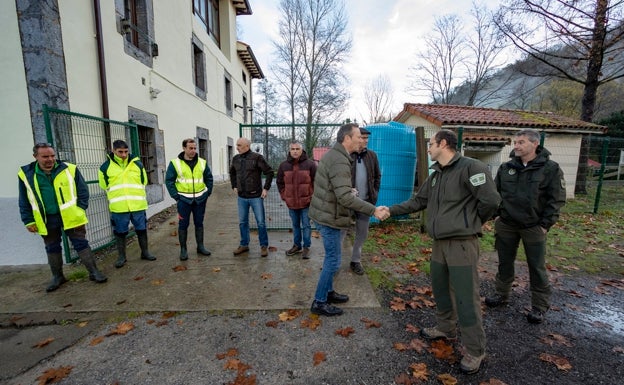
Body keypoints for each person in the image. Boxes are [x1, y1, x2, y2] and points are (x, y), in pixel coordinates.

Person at [383, 129, 500, 374]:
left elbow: (490, 201)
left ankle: (475, 350)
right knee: (441, 289)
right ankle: (446, 328)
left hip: (462, 244)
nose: (428, 148)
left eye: (431, 144)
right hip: (439, 244)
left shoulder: (472, 168)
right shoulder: (436, 175)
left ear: (444, 144)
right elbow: (418, 201)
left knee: (466, 296)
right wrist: (390, 210)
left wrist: (470, 223)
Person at [485, 129, 566, 324]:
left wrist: (545, 225)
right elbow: (496, 193)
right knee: (504, 262)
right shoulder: (506, 168)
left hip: (533, 226)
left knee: (536, 266)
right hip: (506, 224)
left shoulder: (550, 169)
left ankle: (539, 306)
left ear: (534, 144)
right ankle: (501, 295)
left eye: (521, 142)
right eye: (515, 142)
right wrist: (497, 216)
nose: (516, 146)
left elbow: (556, 200)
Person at [308, 123, 387, 317]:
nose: (362, 140)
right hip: (330, 217)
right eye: (359, 136)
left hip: (327, 213)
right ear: (347, 138)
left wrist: (347, 191)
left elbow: (335, 188)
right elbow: (344, 197)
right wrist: (373, 210)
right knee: (333, 262)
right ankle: (319, 301)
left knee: (332, 258)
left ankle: (328, 292)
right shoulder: (339, 160)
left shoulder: (336, 155)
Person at [18, 143, 107, 292]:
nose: (50, 159)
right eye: (45, 156)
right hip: (46, 219)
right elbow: (24, 200)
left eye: (52, 156)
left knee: (81, 243)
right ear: (36, 157)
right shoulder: (26, 174)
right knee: (51, 247)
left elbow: (83, 191)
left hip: (72, 216)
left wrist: (80, 208)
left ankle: (94, 272)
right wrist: (28, 220)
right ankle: (58, 277)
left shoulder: (69, 169)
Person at [99, 140, 156, 268]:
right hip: (119, 208)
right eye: (120, 152)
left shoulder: (138, 164)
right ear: (113, 151)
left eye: (126, 151)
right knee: (120, 233)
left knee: (141, 229)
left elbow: (144, 181)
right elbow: (104, 185)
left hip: (138, 205)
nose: (124, 155)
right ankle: (122, 257)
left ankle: (145, 252)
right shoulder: (105, 167)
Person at [165, 138, 214, 261]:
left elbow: (209, 178)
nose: (193, 151)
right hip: (184, 200)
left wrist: (208, 192)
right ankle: (183, 250)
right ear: (184, 148)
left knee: (199, 223)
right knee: (183, 224)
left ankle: (200, 247)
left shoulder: (202, 162)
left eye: (194, 148)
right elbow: (169, 181)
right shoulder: (175, 163)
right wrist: (176, 196)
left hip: (200, 199)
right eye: (190, 148)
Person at [229, 137, 274, 257]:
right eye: (236, 145)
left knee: (260, 223)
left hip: (256, 196)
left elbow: (269, 172)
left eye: (239, 145)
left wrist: (266, 188)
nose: (237, 147)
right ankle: (244, 244)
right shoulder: (236, 159)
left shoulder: (257, 158)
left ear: (247, 146)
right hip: (241, 197)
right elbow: (232, 172)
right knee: (243, 222)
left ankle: (264, 246)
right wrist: (234, 185)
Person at [349, 127, 381, 275]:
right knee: (341, 232)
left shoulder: (372, 156)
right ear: (355, 138)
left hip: (366, 201)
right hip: (348, 202)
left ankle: (355, 260)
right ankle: (334, 261)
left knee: (362, 233)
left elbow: (377, 177)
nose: (365, 141)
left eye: (367, 139)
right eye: (362, 138)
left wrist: (374, 193)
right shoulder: (348, 155)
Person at [276, 141, 316, 259]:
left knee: (306, 225)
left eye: (297, 149)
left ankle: (306, 247)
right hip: (291, 202)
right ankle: (297, 246)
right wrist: (284, 195)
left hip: (306, 202)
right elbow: (279, 182)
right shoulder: (283, 166)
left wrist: (311, 195)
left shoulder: (310, 164)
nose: (295, 151)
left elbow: (316, 181)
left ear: (301, 150)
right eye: (292, 149)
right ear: (289, 150)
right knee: (295, 225)